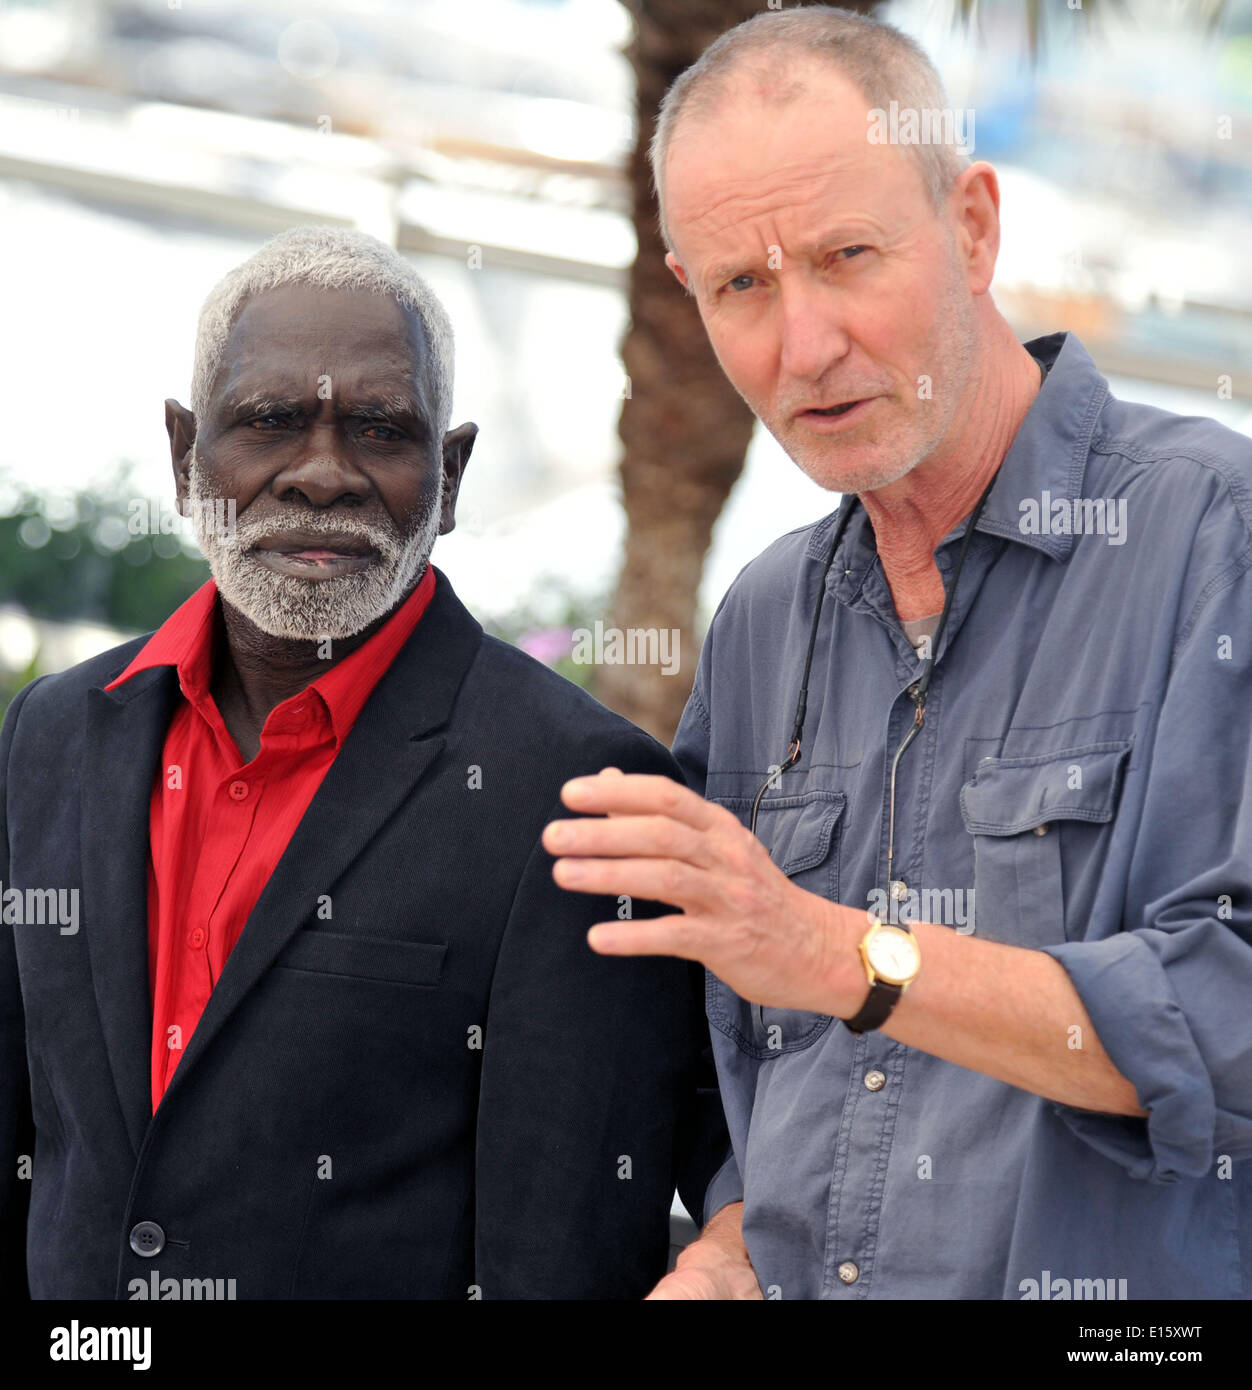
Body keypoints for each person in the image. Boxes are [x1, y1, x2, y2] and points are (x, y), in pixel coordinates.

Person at [544, 7, 1252, 1299]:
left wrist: (843, 953)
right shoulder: (764, 620)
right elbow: (748, 1071)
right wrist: (724, 1245)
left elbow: (1232, 1022)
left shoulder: (1217, 534)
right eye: (741, 286)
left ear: (974, 225)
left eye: (847, 255)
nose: (802, 346)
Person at [0, 226, 726, 1300]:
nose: (324, 473)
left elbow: (558, 1243)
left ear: (450, 473)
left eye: (381, 429)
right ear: (183, 455)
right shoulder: (56, 732)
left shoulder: (581, 796)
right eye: (271, 421)